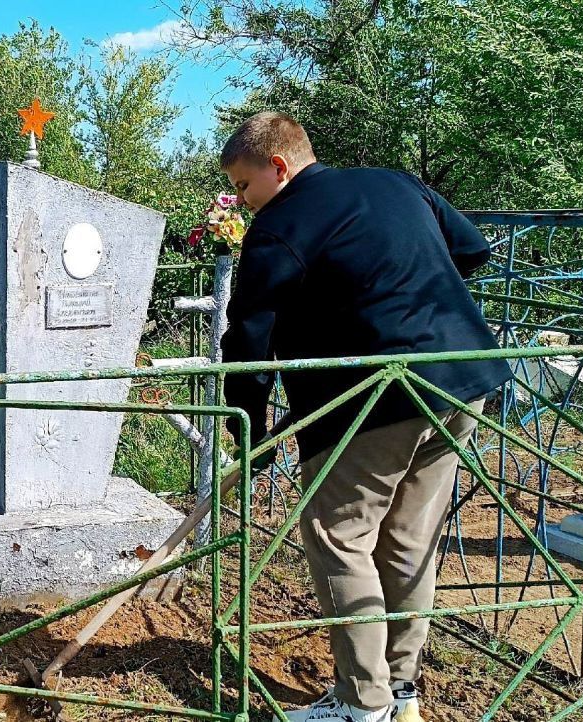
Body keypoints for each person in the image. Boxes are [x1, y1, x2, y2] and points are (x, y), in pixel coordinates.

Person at [218, 112, 511, 722]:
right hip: (460, 382)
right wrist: (400, 295)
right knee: (408, 541)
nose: (242, 202)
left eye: (244, 186)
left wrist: (250, 430)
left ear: (278, 167)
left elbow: (248, 340)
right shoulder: (396, 183)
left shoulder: (279, 227)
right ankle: (400, 691)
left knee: (337, 535)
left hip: (371, 401)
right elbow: (472, 248)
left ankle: (361, 703)